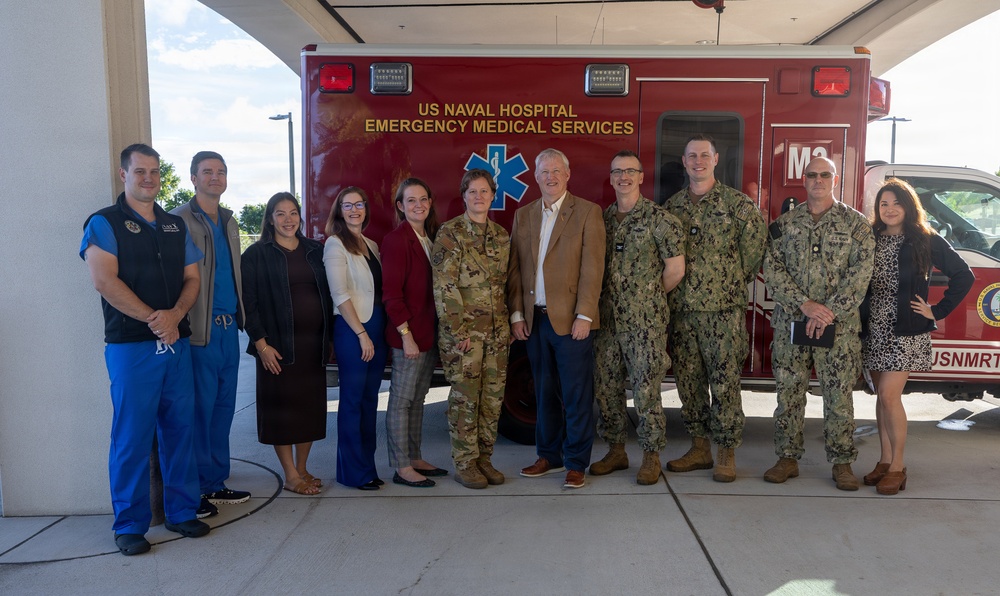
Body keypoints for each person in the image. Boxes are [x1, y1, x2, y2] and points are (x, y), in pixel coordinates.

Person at [80, 143, 210, 556]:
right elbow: (104, 281)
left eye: (154, 172)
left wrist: (174, 317)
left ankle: (182, 511)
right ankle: (129, 525)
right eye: (140, 172)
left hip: (176, 343)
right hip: (132, 346)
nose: (149, 178)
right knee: (132, 436)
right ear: (124, 175)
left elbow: (193, 278)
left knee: (180, 429)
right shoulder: (104, 223)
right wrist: (157, 319)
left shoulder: (174, 226)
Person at [763, 156, 875, 491]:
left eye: (825, 174)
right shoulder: (784, 225)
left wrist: (826, 312)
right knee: (789, 394)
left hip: (838, 329)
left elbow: (860, 276)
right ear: (804, 179)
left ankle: (842, 463)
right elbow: (772, 269)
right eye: (812, 175)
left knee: (838, 396)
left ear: (835, 179)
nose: (818, 180)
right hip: (791, 325)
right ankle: (787, 458)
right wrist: (806, 305)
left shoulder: (855, 225)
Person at [663, 134, 767, 483]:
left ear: (716, 159)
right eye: (692, 155)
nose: (698, 161)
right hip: (682, 312)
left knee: (724, 384)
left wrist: (724, 285)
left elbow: (753, 258)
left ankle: (725, 451)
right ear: (684, 160)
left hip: (723, 313)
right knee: (688, 383)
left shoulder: (739, 206)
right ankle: (698, 448)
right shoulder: (672, 207)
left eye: (704, 155)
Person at [861, 178, 974, 495]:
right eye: (884, 203)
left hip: (906, 330)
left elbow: (964, 275)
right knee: (881, 399)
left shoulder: (925, 238)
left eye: (896, 202)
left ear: (908, 206)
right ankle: (884, 461)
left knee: (889, 396)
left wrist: (937, 311)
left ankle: (898, 466)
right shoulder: (870, 237)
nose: (890, 209)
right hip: (874, 330)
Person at [507, 148, 606, 490]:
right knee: (544, 392)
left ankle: (577, 462)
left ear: (567, 175)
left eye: (556, 171)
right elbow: (516, 268)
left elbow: (593, 270)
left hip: (572, 322)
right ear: (535, 177)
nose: (550, 177)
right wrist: (517, 314)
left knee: (577, 395)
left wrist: (584, 315)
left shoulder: (588, 213)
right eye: (544, 172)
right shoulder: (524, 215)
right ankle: (549, 456)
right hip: (535, 322)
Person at [591, 151, 686, 485]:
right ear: (612, 177)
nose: (623, 177)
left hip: (644, 323)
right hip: (606, 322)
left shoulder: (661, 220)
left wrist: (644, 296)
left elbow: (675, 270)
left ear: (642, 177)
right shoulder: (601, 219)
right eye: (617, 171)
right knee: (606, 388)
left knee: (646, 390)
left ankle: (650, 455)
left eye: (630, 171)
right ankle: (616, 451)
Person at [170, 151, 249, 518]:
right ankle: (198, 486)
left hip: (230, 331)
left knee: (222, 411)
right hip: (200, 333)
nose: (215, 177)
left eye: (220, 171)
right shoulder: (177, 221)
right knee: (199, 412)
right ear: (193, 178)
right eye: (207, 172)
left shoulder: (230, 221)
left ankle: (217, 483)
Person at [242, 192, 334, 496]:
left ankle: (304, 468)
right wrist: (261, 344)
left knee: (308, 410)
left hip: (312, 347)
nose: (287, 220)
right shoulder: (256, 254)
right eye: (280, 214)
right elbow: (248, 303)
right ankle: (291, 475)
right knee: (282, 412)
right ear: (270, 219)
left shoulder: (314, 250)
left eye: (293, 213)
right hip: (278, 348)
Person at [431, 169, 511, 489]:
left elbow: (507, 284)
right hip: (464, 337)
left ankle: (484, 460)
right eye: (472, 191)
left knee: (492, 400)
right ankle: (465, 463)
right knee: (466, 400)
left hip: (497, 334)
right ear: (463, 196)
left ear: (493, 195)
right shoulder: (450, 234)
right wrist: (459, 332)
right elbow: (444, 286)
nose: (479, 197)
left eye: (484, 191)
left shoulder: (502, 235)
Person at [383, 178, 447, 488]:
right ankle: (401, 466)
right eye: (411, 200)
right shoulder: (397, 241)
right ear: (400, 205)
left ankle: (415, 456)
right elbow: (392, 296)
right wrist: (406, 335)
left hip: (427, 334)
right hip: (408, 337)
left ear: (430, 202)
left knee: (418, 400)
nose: (418, 205)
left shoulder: (429, 237)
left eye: (423, 199)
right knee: (401, 401)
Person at [324, 186, 388, 490]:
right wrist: (361, 333)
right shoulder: (335, 245)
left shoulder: (371, 244)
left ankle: (368, 468)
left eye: (359, 204)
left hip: (376, 326)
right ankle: (352, 473)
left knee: (369, 400)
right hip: (353, 329)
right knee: (351, 401)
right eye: (347, 205)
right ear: (339, 210)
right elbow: (339, 294)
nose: (354, 210)